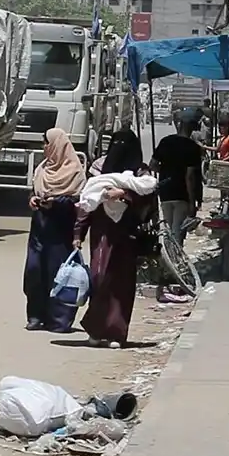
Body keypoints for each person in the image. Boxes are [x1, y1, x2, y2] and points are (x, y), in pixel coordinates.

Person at [74, 130, 156, 348]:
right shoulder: (99, 169)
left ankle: (116, 333)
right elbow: (86, 202)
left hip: (127, 234)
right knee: (100, 278)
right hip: (102, 233)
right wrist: (78, 234)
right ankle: (96, 329)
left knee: (122, 284)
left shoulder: (141, 173)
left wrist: (124, 195)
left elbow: (149, 200)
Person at [23, 128, 86, 332]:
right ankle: (35, 316)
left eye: (47, 143)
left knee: (58, 273)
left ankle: (59, 320)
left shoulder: (74, 171)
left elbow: (79, 202)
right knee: (34, 271)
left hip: (61, 229)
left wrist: (57, 203)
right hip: (39, 228)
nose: (44, 148)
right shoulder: (43, 168)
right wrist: (34, 199)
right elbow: (36, 189)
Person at [151, 118, 206, 245]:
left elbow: (153, 165)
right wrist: (193, 201)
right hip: (182, 193)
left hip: (165, 191)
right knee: (177, 231)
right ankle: (175, 260)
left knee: (168, 229)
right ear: (192, 131)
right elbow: (190, 177)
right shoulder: (193, 147)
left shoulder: (166, 141)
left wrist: (166, 172)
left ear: (179, 127)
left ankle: (167, 257)